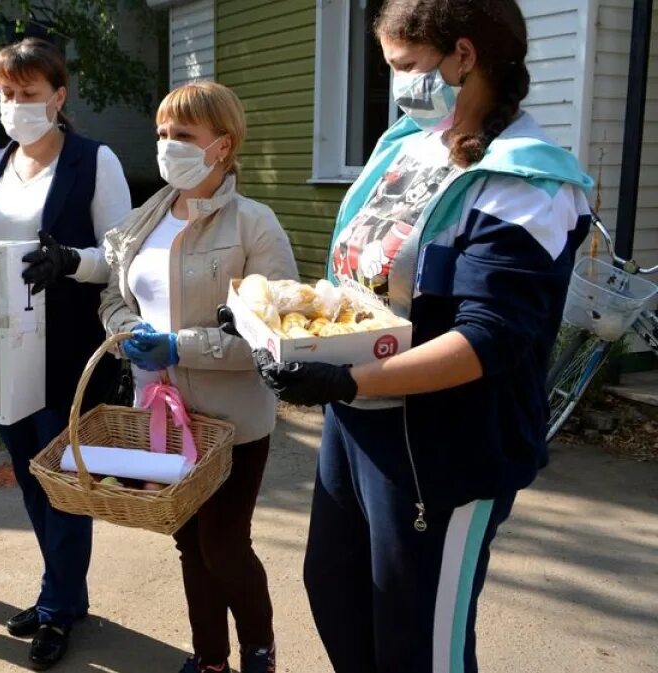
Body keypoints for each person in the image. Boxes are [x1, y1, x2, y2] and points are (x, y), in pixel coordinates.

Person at [221, 1, 593, 670]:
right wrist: (275, 318)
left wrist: (348, 378)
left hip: (442, 449)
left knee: (418, 641)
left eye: (405, 65)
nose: (394, 84)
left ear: (465, 56)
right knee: (336, 592)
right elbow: (360, 279)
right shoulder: (405, 145)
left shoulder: (526, 181)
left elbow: (491, 337)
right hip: (358, 428)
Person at [100, 81, 298, 673]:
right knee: (189, 542)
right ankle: (209, 657)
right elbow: (113, 294)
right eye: (162, 134)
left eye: (182, 135)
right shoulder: (145, 218)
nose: (167, 146)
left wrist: (177, 346)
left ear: (223, 145)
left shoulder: (255, 225)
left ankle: (258, 651)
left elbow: (273, 333)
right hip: (158, 412)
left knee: (225, 544)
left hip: (232, 421)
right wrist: (127, 329)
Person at [0, 37, 133, 670]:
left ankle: (59, 604)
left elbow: (122, 256)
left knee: (63, 478)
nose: (15, 106)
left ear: (59, 97)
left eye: (28, 94)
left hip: (68, 347)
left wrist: (69, 261)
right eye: (6, 94)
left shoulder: (95, 160)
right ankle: (64, 589)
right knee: (30, 474)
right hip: (4, 348)